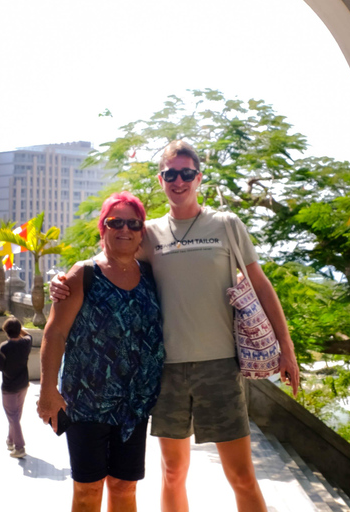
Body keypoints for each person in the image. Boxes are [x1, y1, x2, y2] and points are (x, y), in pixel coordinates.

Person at [51, 140, 300, 512]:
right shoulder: (148, 233)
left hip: (220, 366)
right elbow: (111, 257)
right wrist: (60, 279)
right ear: (161, 178)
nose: (179, 181)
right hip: (165, 371)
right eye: (171, 174)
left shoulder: (227, 225)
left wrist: (286, 348)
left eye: (186, 173)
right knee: (171, 472)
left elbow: (261, 285)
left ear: (198, 177)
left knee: (242, 475)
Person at [38, 191, 165, 512]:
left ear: (141, 231)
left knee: (125, 488)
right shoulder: (84, 274)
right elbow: (54, 333)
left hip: (133, 404)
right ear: (103, 228)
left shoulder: (151, 274)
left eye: (133, 223)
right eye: (115, 221)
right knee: (88, 489)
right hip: (85, 402)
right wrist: (47, 390)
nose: (124, 229)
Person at [0, 317, 33, 459]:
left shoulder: (4, 347)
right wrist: (19, 329)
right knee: (15, 416)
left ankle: (19, 447)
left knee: (13, 416)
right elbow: (28, 335)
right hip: (23, 384)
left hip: (9, 386)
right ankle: (10, 440)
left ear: (6, 331)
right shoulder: (26, 343)